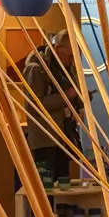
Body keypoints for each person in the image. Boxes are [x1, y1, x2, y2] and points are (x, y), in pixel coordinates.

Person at [22, 28, 83, 184]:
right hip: (45, 139)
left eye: (75, 57)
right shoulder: (37, 68)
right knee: (46, 189)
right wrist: (67, 95)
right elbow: (34, 105)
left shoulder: (65, 69)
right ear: (57, 49)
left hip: (62, 137)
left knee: (63, 187)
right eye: (70, 56)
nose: (72, 61)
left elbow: (71, 95)